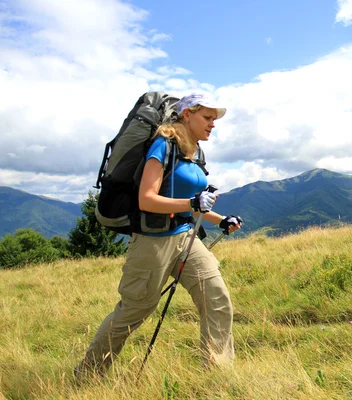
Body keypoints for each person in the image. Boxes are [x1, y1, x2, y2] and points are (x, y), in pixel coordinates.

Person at [75, 93, 243, 379]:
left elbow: (191, 204)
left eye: (214, 119)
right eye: (207, 117)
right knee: (134, 311)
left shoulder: (194, 151)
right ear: (187, 114)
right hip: (152, 243)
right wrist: (192, 204)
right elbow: (147, 200)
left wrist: (219, 220)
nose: (213, 124)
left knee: (216, 299)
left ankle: (217, 375)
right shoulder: (163, 145)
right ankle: (88, 374)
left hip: (186, 237)